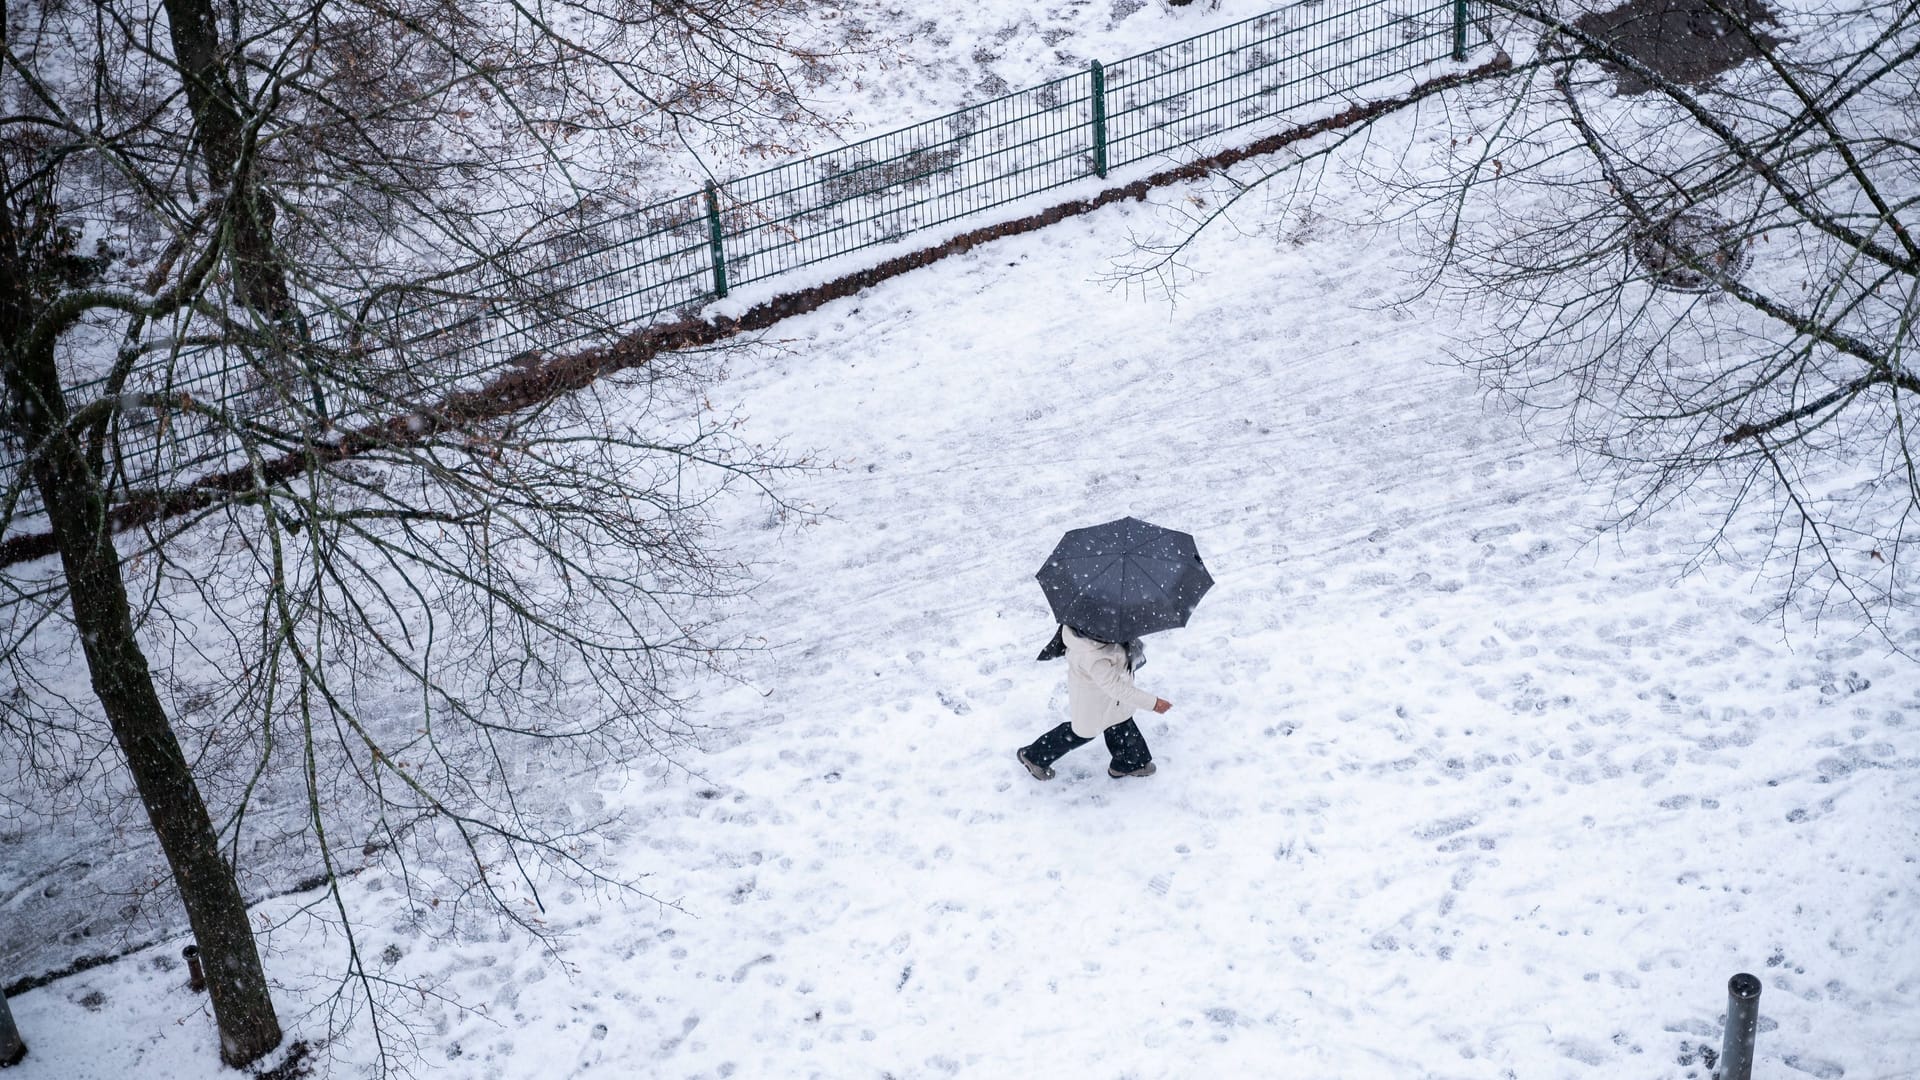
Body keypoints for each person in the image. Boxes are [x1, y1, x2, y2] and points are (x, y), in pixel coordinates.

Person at [1017, 624, 1172, 780]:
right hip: (1094, 701)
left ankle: (1129, 763)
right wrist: (1153, 703)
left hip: (1109, 698)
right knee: (1082, 732)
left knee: (1120, 722)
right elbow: (1115, 688)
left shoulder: (1095, 630)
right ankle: (1035, 757)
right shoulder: (1093, 656)